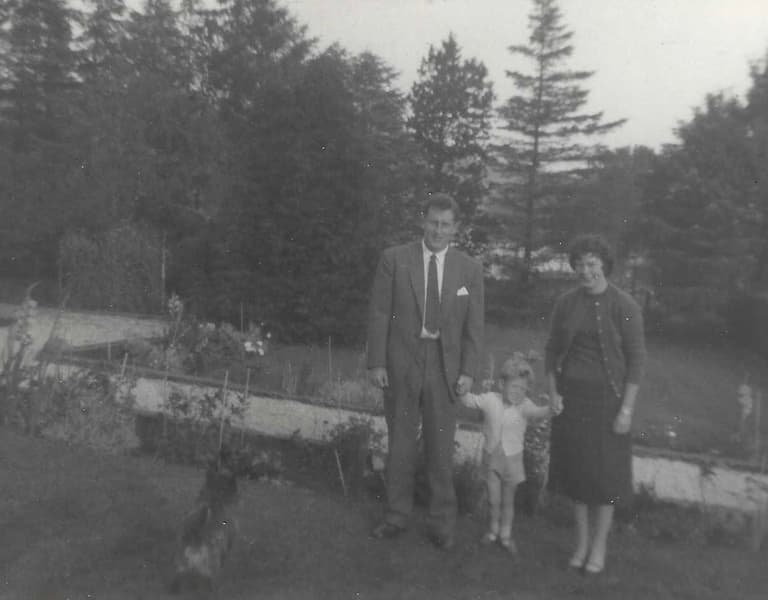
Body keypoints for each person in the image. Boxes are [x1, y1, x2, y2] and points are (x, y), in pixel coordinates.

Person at [367, 193, 484, 549]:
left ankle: (441, 523)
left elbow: (474, 326)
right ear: (423, 221)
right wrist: (377, 362)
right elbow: (379, 313)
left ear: (455, 228)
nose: (438, 230)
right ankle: (396, 516)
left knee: (440, 448)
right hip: (404, 360)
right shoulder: (395, 259)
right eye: (433, 222)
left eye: (445, 224)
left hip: (444, 366)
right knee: (401, 443)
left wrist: (467, 371)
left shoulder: (468, 269)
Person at [545, 234, 646, 575]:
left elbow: (636, 362)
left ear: (604, 264)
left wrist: (627, 410)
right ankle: (582, 543)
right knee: (577, 475)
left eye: (591, 263)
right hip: (571, 398)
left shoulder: (625, 305)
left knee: (605, 479)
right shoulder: (566, 303)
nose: (585, 271)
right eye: (579, 264)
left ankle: (599, 547)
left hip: (609, 401)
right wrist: (553, 391)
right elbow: (551, 350)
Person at [458, 353, 553, 555]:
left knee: (508, 500)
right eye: (514, 387)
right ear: (502, 384)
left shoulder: (525, 406)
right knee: (494, 499)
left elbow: (539, 414)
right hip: (491, 458)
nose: (518, 392)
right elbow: (469, 400)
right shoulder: (490, 400)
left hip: (513, 460)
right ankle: (492, 530)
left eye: (523, 388)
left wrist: (552, 408)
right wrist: (461, 388)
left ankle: (506, 534)